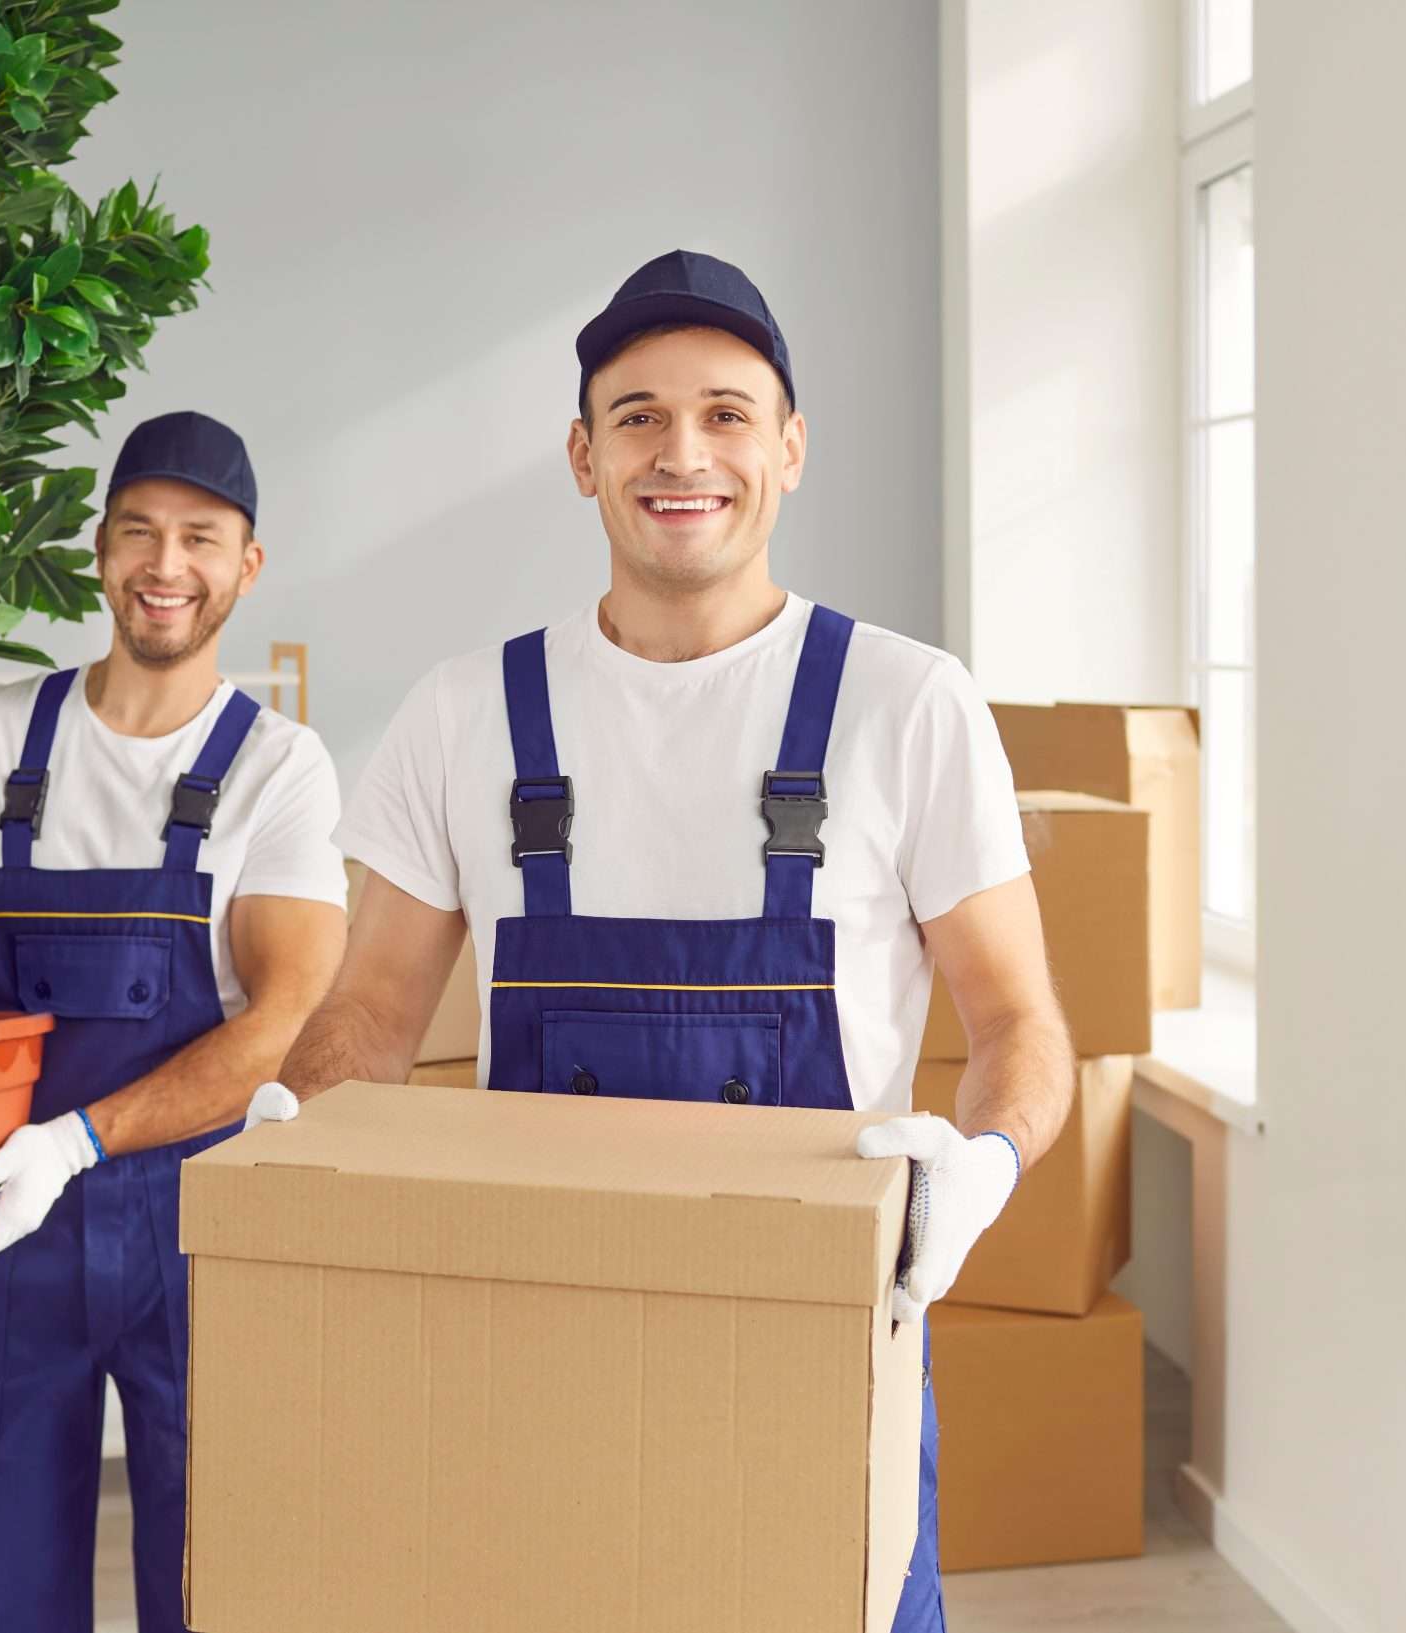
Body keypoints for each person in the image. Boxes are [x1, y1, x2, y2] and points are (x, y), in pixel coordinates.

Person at [264, 252, 1075, 1630]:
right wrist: (300, 1143)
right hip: (529, 1356)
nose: (681, 453)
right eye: (637, 416)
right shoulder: (465, 714)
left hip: (820, 1350)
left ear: (790, 448)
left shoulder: (908, 704)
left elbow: (1019, 1024)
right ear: (583, 457)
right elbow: (374, 1015)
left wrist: (984, 1166)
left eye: (725, 414)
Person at [0, 411, 349, 1633]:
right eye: (139, 532)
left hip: (199, 1225)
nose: (167, 564)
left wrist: (80, 1142)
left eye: (200, 538)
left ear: (248, 563)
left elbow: (279, 1023)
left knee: (218, 1570)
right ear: (99, 550)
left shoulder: (279, 768)